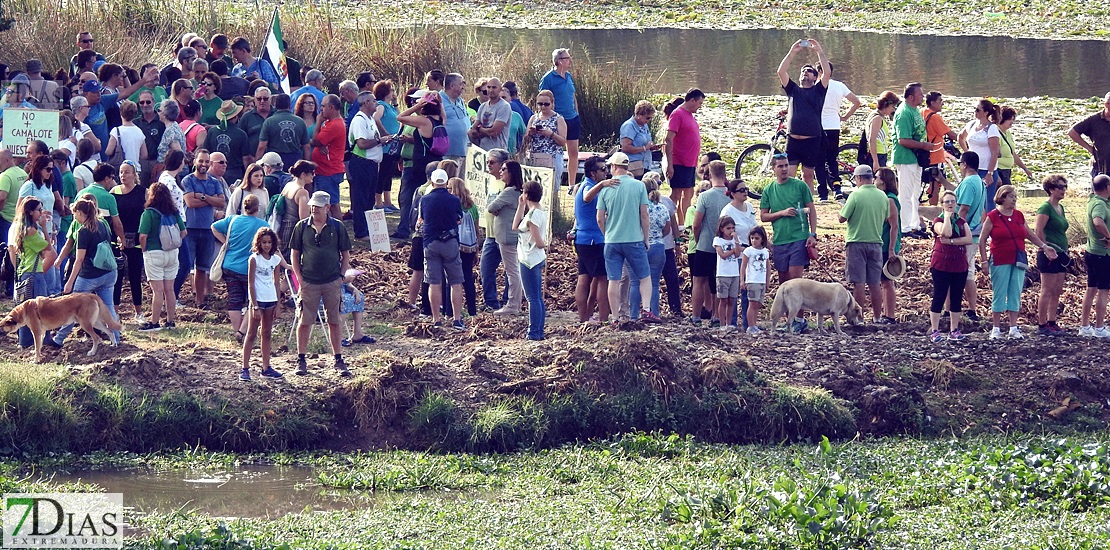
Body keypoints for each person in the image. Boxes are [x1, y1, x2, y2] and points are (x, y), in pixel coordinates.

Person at [979, 185, 1058, 340]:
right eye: (1011, 196)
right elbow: (982, 240)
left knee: (1015, 291)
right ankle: (996, 327)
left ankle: (1013, 327)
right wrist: (983, 261)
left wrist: (1044, 246)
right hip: (1000, 259)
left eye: (1015, 196)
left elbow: (1029, 234)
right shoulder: (993, 216)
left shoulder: (1019, 215)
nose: (1014, 199)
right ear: (1002, 197)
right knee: (999, 292)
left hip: (1018, 258)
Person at [291, 191, 353, 376]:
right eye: (312, 205)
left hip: (331, 281)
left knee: (334, 320)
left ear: (327, 207)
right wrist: (300, 279)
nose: (313, 209)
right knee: (305, 321)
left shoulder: (338, 227)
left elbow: (345, 254)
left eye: (317, 206)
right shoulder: (301, 227)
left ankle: (338, 358)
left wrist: (341, 277)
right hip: (309, 282)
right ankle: (301, 359)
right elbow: (295, 254)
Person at [759, 154, 817, 333]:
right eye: (780, 166)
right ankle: (788, 320)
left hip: (798, 238)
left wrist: (813, 234)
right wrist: (781, 213)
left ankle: (800, 319)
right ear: (773, 169)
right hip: (779, 241)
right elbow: (763, 216)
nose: (784, 169)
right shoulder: (769, 190)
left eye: (786, 165)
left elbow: (811, 210)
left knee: (795, 281)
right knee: (784, 282)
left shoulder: (800, 186)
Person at [55, 197, 121, 346]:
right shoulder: (102, 224)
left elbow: (79, 260)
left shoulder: (83, 231)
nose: (74, 217)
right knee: (108, 307)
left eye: (74, 214)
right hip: (109, 273)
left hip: (90, 275)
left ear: (79, 212)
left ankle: (58, 339)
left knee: (72, 306)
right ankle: (115, 339)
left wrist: (69, 283)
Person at [596, 152, 652, 322]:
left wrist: (607, 234)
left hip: (612, 240)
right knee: (644, 276)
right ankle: (647, 310)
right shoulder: (639, 186)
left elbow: (599, 218)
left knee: (613, 279)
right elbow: (644, 214)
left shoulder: (606, 188)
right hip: (634, 238)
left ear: (613, 167)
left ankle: (614, 316)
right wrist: (646, 238)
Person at [776, 39, 831, 193]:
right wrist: (792, 52)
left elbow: (827, 72)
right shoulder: (793, 89)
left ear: (815, 77)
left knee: (808, 176)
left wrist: (819, 51)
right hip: (792, 139)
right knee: (789, 176)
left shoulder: (819, 90)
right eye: (802, 71)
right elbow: (781, 72)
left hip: (812, 140)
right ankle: (789, 205)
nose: (804, 73)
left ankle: (808, 207)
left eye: (808, 71)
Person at [213, 193, 270, 340]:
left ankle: (237, 331)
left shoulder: (233, 220)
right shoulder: (262, 225)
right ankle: (243, 332)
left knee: (234, 299)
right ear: (258, 208)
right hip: (250, 269)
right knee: (253, 300)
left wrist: (226, 241)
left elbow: (214, 227)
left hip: (230, 265)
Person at [838, 165, 889, 323]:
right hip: (876, 242)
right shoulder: (882, 196)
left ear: (858, 178)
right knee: (875, 283)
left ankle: (859, 318)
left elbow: (842, 218)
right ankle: (877, 317)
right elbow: (886, 218)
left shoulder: (856, 195)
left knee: (858, 282)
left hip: (856, 242)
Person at [418, 169, 466, 330]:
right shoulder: (454, 200)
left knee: (434, 282)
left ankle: (436, 320)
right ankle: (457, 319)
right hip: (450, 242)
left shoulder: (425, 199)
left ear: (432, 182)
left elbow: (422, 219)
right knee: (455, 281)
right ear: (446, 183)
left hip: (431, 242)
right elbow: (459, 218)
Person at [8, 197, 57, 351]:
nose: (41, 213)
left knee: (25, 310)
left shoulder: (20, 228)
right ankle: (43, 341)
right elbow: (48, 249)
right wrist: (45, 226)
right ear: (30, 212)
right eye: (39, 210)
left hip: (24, 272)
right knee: (41, 310)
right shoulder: (32, 230)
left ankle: (24, 341)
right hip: (34, 275)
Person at [137, 181, 185, 331]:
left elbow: (143, 236)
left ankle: (154, 322)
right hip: (172, 253)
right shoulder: (174, 212)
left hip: (154, 252)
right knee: (169, 289)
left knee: (157, 291)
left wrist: (144, 250)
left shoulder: (149, 213)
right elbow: (183, 232)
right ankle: (170, 322)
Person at [181, 149, 226, 307]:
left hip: (208, 229)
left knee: (202, 267)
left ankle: (199, 301)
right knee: (185, 266)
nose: (204, 164)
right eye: (201, 161)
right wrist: (210, 200)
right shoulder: (188, 180)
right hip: (190, 229)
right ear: (194, 162)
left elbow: (221, 202)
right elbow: (190, 203)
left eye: (207, 162)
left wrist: (202, 196)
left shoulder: (214, 182)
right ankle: (174, 298)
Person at [690, 160, 732, 325]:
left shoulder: (705, 196)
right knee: (718, 281)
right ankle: (716, 316)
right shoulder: (730, 195)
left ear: (710, 174)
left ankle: (696, 317)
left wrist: (698, 238)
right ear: (724, 174)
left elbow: (696, 223)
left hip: (705, 244)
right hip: (725, 245)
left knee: (698, 280)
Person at [928, 190, 972, 342]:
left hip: (959, 264)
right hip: (941, 264)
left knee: (956, 297)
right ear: (942, 205)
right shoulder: (937, 221)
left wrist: (953, 242)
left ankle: (954, 329)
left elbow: (968, 239)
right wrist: (947, 217)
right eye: (947, 202)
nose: (950, 204)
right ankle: (935, 330)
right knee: (939, 295)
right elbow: (946, 233)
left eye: (953, 201)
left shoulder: (961, 221)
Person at [572, 155, 611, 322]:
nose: (606, 172)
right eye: (603, 170)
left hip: (583, 239)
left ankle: (584, 319)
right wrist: (602, 185)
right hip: (594, 240)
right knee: (603, 279)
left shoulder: (585, 185)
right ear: (593, 173)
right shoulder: (588, 186)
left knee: (584, 278)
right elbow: (587, 198)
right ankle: (603, 320)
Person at [814, 63, 860, 200]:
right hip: (834, 126)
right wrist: (845, 117)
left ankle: (823, 193)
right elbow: (856, 102)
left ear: (819, 71)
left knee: (819, 162)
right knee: (832, 160)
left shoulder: (815, 87)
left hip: (819, 126)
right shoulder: (839, 86)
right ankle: (837, 189)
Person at [892, 82, 931, 238]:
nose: (923, 96)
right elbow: (903, 139)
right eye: (920, 94)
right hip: (905, 157)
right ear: (911, 96)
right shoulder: (903, 112)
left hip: (916, 158)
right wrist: (923, 145)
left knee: (915, 193)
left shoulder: (915, 111)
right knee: (906, 193)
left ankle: (914, 225)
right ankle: (905, 227)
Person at [110, 161, 147, 323]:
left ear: (134, 174)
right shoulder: (114, 191)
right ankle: (115, 313)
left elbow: (147, 214)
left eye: (126, 172)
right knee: (116, 276)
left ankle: (138, 312)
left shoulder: (142, 192)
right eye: (121, 172)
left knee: (135, 276)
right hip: (117, 239)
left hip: (136, 239)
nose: (123, 176)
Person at [487, 160, 525, 315]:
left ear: (511, 173)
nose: (501, 171)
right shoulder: (517, 191)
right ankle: (515, 303)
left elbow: (491, 207)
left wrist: (498, 211)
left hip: (507, 237)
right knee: (514, 271)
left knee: (512, 272)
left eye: (504, 169)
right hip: (511, 236)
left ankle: (513, 304)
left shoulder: (509, 192)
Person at [629, 176, 670, 319]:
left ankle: (633, 314)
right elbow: (667, 229)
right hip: (658, 246)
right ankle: (653, 313)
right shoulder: (662, 207)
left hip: (637, 245)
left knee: (635, 283)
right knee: (653, 283)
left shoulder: (636, 207)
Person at [1034, 175, 1070, 336]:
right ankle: (1042, 324)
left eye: (1065, 187)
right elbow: (1038, 231)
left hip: (1061, 252)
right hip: (1048, 253)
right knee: (1047, 290)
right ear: (1051, 189)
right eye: (1060, 187)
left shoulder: (1060, 208)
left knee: (1057, 290)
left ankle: (1052, 321)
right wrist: (1045, 248)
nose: (1064, 190)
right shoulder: (1045, 207)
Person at [540, 49, 582, 187]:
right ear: (559, 61)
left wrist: (576, 112)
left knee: (573, 152)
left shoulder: (568, 75)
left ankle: (571, 185)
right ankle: (552, 184)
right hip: (558, 120)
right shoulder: (548, 78)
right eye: (567, 58)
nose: (570, 60)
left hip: (573, 118)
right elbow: (543, 98)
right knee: (556, 152)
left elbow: (573, 95)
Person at [719, 177, 757, 328]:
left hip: (750, 253)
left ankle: (748, 323)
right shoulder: (727, 211)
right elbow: (723, 234)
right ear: (733, 193)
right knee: (733, 291)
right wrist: (736, 247)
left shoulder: (749, 206)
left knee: (748, 288)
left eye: (746, 189)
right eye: (741, 190)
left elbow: (754, 227)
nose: (745, 192)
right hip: (735, 256)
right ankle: (731, 322)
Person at [663, 89, 705, 225]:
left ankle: (683, 225)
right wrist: (670, 164)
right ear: (692, 100)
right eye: (699, 103)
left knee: (688, 194)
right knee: (675, 195)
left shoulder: (689, 115)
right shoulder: (677, 114)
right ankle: (668, 223)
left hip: (690, 162)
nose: (700, 106)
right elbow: (668, 139)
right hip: (678, 162)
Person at [513, 179, 548, 340]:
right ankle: (538, 331)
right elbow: (515, 226)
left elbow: (539, 241)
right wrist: (521, 205)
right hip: (535, 258)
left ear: (527, 194)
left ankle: (534, 332)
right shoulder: (539, 212)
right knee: (537, 297)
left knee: (532, 298)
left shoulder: (533, 215)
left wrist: (542, 243)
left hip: (529, 259)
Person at [953, 151, 986, 323]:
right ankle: (972, 309)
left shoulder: (968, 182)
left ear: (964, 164)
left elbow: (963, 209)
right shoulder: (980, 182)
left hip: (964, 236)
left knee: (953, 272)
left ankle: (951, 308)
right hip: (974, 234)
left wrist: (954, 230)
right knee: (969, 274)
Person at [348, 91, 384, 240]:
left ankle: (368, 228)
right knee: (361, 197)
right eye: (374, 101)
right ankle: (360, 231)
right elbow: (362, 144)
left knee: (369, 198)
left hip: (372, 163)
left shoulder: (370, 119)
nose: (376, 103)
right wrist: (380, 141)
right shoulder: (359, 120)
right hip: (361, 162)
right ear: (367, 103)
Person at [958, 99, 1003, 212]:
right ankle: (974, 225)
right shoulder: (972, 124)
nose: (975, 111)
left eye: (978, 109)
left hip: (985, 169)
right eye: (975, 109)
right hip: (972, 169)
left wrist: (990, 173)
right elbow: (960, 137)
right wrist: (967, 153)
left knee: (986, 201)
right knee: (972, 199)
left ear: (986, 112)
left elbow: (995, 152)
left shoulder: (991, 128)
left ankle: (989, 226)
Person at [1080, 174, 1110, 337]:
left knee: (1091, 288)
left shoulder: (1094, 200)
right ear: (1107, 187)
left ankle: (1085, 326)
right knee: (1103, 289)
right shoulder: (1099, 204)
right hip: (1102, 253)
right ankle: (1099, 327)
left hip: (1092, 251)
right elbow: (1098, 221)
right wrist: (1109, 237)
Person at [874, 167, 902, 324]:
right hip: (883, 243)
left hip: (887, 245)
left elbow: (894, 225)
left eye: (876, 177)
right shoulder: (884, 197)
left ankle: (890, 315)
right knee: (883, 281)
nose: (874, 179)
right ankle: (886, 314)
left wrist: (891, 249)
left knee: (887, 281)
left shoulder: (890, 199)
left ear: (883, 180)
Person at [522, 90, 567, 186]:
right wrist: (530, 133)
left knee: (552, 187)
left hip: (552, 157)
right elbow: (525, 140)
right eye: (540, 104)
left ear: (552, 103)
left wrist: (551, 134)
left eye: (546, 104)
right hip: (535, 156)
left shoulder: (558, 119)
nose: (543, 107)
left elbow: (563, 142)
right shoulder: (534, 118)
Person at [922, 91, 959, 205]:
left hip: (923, 155)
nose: (942, 103)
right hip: (935, 156)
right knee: (935, 185)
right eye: (940, 101)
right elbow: (950, 134)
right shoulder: (935, 117)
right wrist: (965, 141)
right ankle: (933, 208)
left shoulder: (922, 112)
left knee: (924, 183)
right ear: (932, 103)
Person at [257, 93, 310, 170]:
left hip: (274, 161)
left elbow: (261, 146)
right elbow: (307, 147)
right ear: (289, 105)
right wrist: (306, 165)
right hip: (295, 160)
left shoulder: (269, 121)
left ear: (275, 105)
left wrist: (257, 163)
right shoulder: (300, 121)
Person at [204, 100, 249, 186]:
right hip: (234, 172)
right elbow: (246, 158)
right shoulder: (241, 134)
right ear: (235, 117)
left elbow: (206, 151)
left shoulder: (212, 131)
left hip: (214, 170)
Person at [372, 80, 401, 211]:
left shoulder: (390, 106)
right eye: (392, 90)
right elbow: (375, 117)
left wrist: (395, 103)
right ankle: (378, 202)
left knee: (389, 174)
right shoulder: (381, 105)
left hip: (393, 146)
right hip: (385, 146)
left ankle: (388, 201)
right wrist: (384, 132)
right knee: (382, 174)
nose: (394, 93)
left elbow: (399, 116)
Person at [1067, 91, 1110, 178]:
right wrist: (1090, 148)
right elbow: (1072, 132)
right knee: (1099, 191)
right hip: (1101, 168)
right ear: (1106, 104)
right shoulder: (1094, 120)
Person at [278, 160, 314, 260]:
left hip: (283, 225)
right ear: (303, 174)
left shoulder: (289, 185)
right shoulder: (302, 192)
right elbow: (304, 218)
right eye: (312, 173)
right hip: (294, 228)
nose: (313, 175)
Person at [712, 216, 742, 331]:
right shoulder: (718, 240)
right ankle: (722, 324)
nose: (731, 231)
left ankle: (729, 323)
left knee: (731, 300)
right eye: (728, 228)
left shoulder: (734, 240)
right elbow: (722, 255)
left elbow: (738, 254)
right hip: (723, 274)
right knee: (723, 299)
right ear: (721, 229)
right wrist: (733, 250)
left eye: (733, 228)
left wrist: (737, 242)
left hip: (734, 273)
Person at [741, 226, 769, 334]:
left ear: (762, 238)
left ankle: (754, 324)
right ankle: (750, 326)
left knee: (757, 303)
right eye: (752, 238)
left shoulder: (765, 251)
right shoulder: (748, 251)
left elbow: (767, 267)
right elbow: (743, 266)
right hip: (752, 281)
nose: (754, 240)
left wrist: (767, 281)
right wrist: (742, 281)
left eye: (757, 238)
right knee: (752, 303)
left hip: (761, 280)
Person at [468, 78, 511, 151]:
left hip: (498, 152)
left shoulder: (504, 106)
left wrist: (481, 129)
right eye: (488, 87)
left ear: (500, 89)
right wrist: (484, 132)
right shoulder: (482, 106)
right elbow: (472, 132)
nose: (491, 90)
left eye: (494, 87)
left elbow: (494, 132)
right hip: (483, 151)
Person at [996, 106, 1035, 187]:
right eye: (1009, 119)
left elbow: (1012, 153)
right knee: (1006, 196)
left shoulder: (1008, 133)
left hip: (1007, 170)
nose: (1012, 122)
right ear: (1002, 118)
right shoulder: (995, 133)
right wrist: (995, 174)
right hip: (999, 170)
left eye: (1013, 119)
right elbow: (992, 155)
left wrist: (1025, 168)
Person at [440, 73, 471, 171]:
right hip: (448, 152)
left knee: (460, 183)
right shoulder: (438, 99)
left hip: (464, 150)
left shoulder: (460, 101)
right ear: (452, 86)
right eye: (461, 83)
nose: (463, 86)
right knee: (449, 181)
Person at [134, 90, 165, 184]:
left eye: (148, 102)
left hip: (158, 162)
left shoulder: (162, 121)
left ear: (154, 102)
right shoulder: (135, 123)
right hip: (141, 163)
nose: (145, 105)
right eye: (141, 102)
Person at [620, 100, 657, 179]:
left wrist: (651, 147)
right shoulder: (629, 126)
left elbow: (645, 143)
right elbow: (625, 147)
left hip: (645, 165)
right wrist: (644, 148)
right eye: (648, 117)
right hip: (634, 167)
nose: (649, 120)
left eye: (650, 118)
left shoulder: (644, 126)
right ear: (640, 114)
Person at [865, 91, 899, 170]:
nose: (893, 110)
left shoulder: (874, 114)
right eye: (893, 107)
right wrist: (875, 161)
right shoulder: (877, 119)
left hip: (881, 153)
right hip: (878, 154)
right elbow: (872, 139)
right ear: (886, 105)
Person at [240, 87, 272, 164]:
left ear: (270, 99)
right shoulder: (247, 117)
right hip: (252, 160)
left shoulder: (277, 114)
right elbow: (241, 139)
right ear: (254, 99)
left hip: (274, 160)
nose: (262, 101)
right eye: (259, 98)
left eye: (265, 99)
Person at [156, 99, 186, 164]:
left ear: (165, 114)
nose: (158, 113)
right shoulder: (176, 126)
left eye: (159, 110)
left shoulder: (170, 131)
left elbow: (178, 152)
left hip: (171, 170)